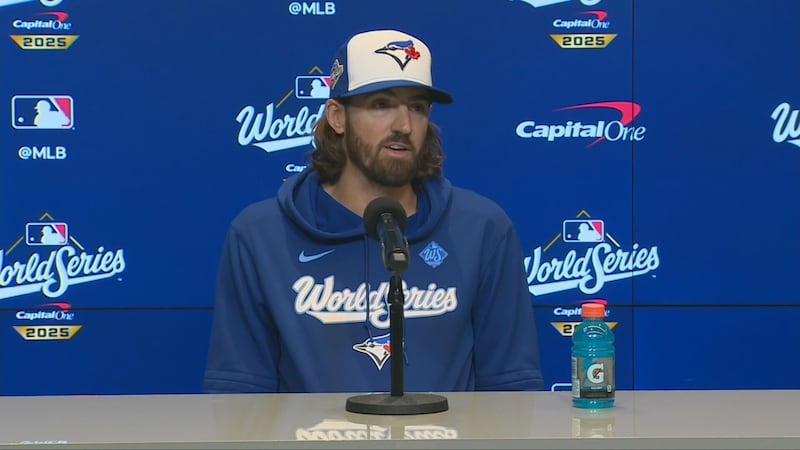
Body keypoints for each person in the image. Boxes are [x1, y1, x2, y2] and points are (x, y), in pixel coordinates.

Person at [203, 29, 544, 393]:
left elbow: (513, 391)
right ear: (337, 117)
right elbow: (238, 399)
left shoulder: (481, 229)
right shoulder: (260, 236)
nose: (404, 126)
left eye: (417, 107)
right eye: (381, 105)